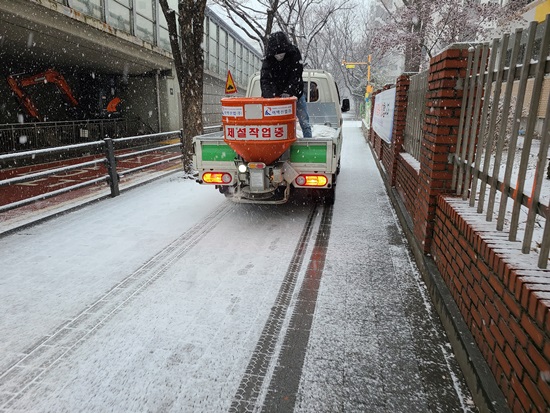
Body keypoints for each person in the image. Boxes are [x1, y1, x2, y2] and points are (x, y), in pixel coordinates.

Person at [260, 31, 312, 138]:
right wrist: (271, 96)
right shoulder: (268, 59)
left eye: (282, 53)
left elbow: (296, 75)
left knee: (304, 122)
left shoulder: (294, 53)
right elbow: (265, 80)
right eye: (277, 54)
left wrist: (289, 92)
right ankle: (276, 143)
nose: (279, 56)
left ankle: (308, 142)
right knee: (274, 124)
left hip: (296, 95)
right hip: (276, 98)